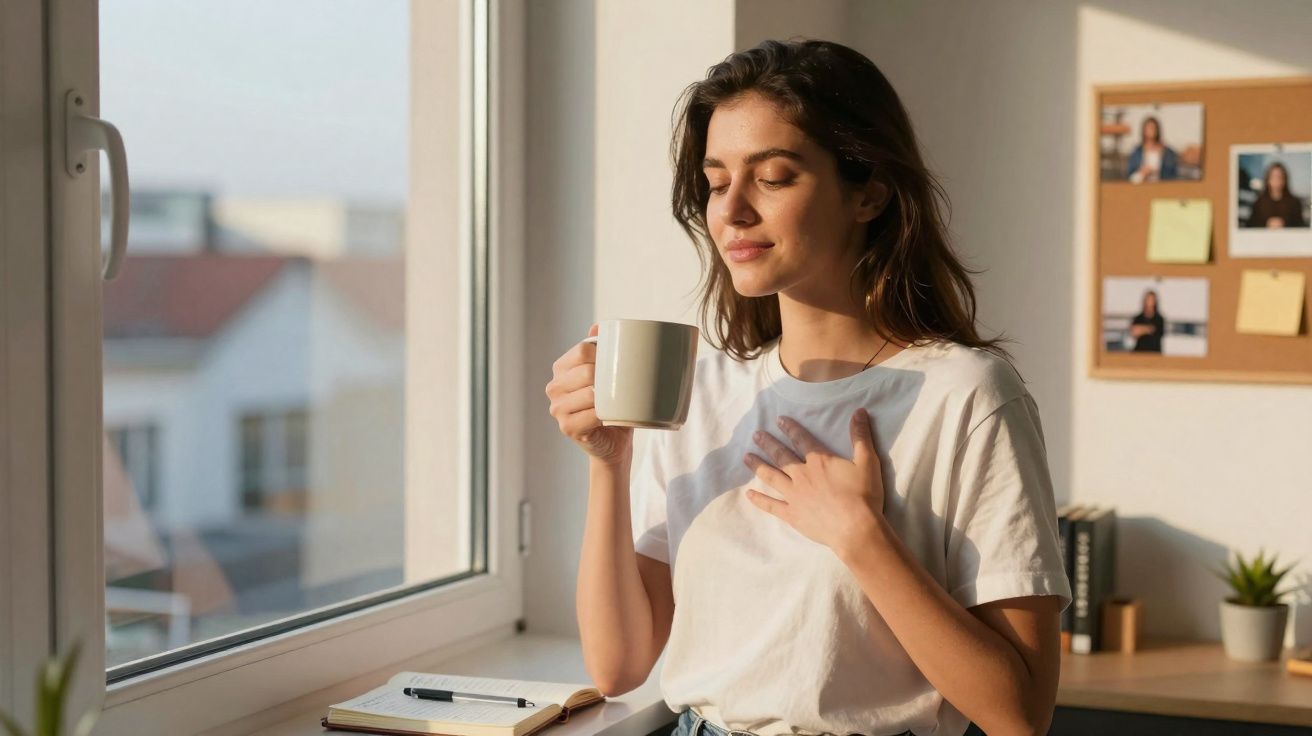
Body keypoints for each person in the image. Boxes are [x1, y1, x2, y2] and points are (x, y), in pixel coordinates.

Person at [547, 39, 1070, 736]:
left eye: (774, 177)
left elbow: (1018, 714)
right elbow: (619, 666)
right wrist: (608, 462)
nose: (731, 210)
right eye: (715, 180)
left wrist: (864, 539)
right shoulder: (703, 393)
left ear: (869, 192)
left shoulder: (966, 395)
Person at [1244, 161, 1307, 229]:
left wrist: (1285, 224)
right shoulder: (1258, 203)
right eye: (1273, 177)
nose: (1276, 180)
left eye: (1279, 177)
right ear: (1267, 179)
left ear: (1285, 180)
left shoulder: (1294, 203)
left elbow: (1301, 226)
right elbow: (1250, 226)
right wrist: (1266, 224)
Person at [1126, 115, 1178, 183]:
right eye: (1148, 128)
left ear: (1157, 130)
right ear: (1143, 130)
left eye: (1153, 128)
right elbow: (1130, 179)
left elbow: (1173, 176)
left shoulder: (1168, 152)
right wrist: (1142, 173)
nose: (1150, 130)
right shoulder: (1137, 152)